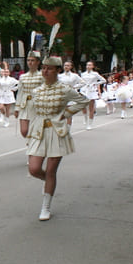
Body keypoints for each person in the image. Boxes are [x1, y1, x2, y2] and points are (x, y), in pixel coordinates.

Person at [26, 56, 89, 221]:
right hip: (39, 132)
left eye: (50, 68)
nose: (45, 71)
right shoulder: (36, 90)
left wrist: (66, 114)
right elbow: (33, 111)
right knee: (34, 169)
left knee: (52, 171)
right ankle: (48, 183)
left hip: (57, 132)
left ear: (58, 71)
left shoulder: (65, 89)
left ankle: (46, 206)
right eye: (44, 68)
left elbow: (83, 101)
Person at [14, 51, 44, 137]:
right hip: (25, 104)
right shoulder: (23, 76)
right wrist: (17, 108)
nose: (30, 62)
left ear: (38, 62)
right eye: (28, 60)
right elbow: (20, 92)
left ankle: (32, 147)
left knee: (35, 131)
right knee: (24, 131)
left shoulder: (42, 76)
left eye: (32, 60)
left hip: (37, 105)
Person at [80, 61, 106, 130]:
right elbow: (81, 82)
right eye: (87, 65)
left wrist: (95, 83)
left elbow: (103, 80)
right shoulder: (83, 74)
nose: (88, 66)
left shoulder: (95, 74)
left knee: (91, 108)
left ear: (92, 66)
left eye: (90, 65)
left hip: (91, 91)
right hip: (84, 90)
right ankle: (85, 117)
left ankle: (89, 124)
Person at [58, 60, 84, 126]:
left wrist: (74, 87)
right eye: (65, 65)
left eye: (68, 65)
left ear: (71, 67)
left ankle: (68, 130)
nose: (66, 67)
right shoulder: (59, 76)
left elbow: (83, 82)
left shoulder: (74, 76)